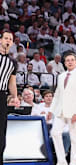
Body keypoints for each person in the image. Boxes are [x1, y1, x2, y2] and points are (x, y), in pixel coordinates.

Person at [50, 52, 76, 165]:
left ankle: (74, 162)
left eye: (72, 60)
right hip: (60, 111)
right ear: (65, 63)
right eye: (67, 60)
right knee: (55, 133)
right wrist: (51, 110)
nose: (70, 62)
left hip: (73, 112)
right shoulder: (61, 76)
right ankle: (61, 161)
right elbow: (57, 94)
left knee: (74, 138)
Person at [0, 31, 19, 165]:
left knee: (1, 130)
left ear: (12, 43)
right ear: (0, 40)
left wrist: (15, 97)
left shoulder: (12, 62)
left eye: (10, 39)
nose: (8, 40)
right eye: (6, 38)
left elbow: (12, 83)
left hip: (2, 95)